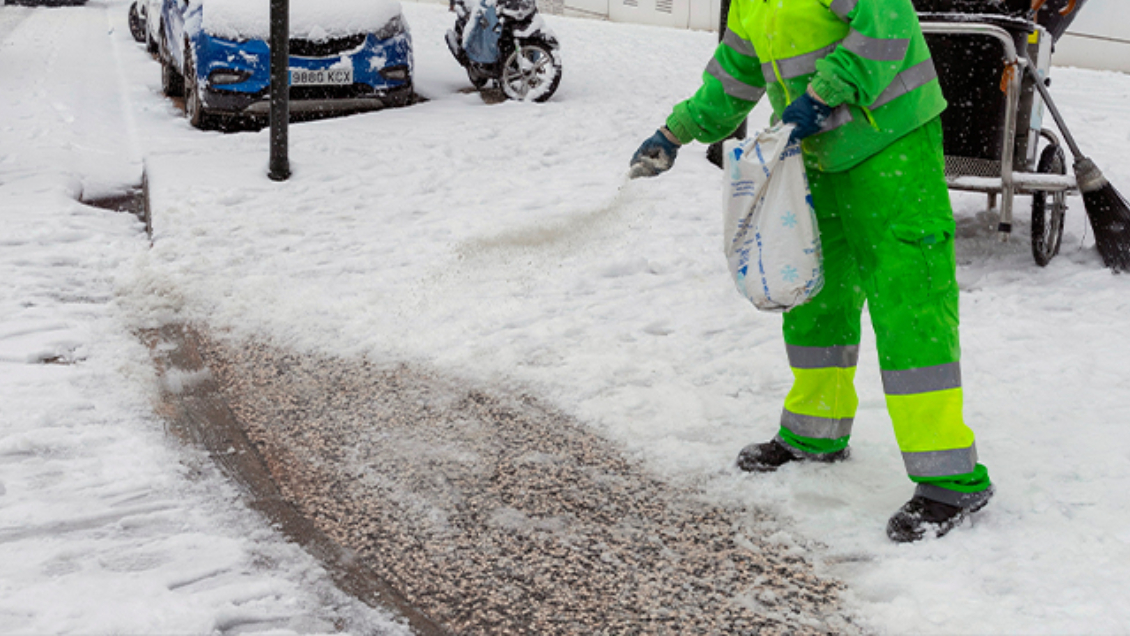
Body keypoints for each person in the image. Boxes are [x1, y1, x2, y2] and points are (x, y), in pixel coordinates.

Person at [630, 0, 993, 542]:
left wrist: (824, 94)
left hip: (890, 145)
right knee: (815, 297)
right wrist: (675, 132)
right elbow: (732, 81)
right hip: (818, 158)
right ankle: (814, 432)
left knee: (909, 305)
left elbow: (887, 24)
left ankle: (950, 480)